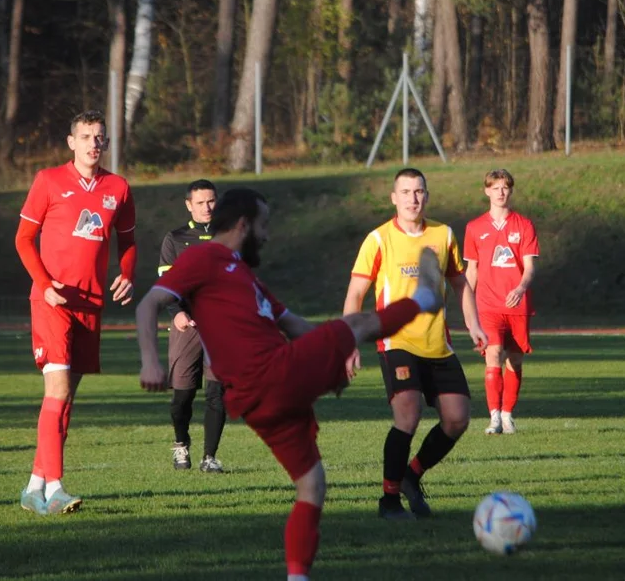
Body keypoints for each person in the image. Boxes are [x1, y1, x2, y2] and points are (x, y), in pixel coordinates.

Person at [136, 188, 446, 581]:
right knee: (356, 323)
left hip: (262, 397)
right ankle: (423, 298)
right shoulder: (204, 256)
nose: (267, 236)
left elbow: (296, 326)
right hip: (269, 374)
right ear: (244, 224)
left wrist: (331, 348)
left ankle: (297, 577)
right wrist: (150, 360)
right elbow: (148, 303)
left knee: (312, 486)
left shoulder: (246, 277)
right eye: (263, 226)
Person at [343, 167, 487, 520]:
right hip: (397, 342)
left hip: (438, 343)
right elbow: (356, 295)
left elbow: (460, 284)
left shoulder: (443, 234)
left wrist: (474, 324)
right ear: (394, 198)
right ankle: (389, 501)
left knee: (457, 419)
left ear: (427, 195)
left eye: (419, 191)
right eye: (405, 192)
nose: (413, 198)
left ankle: (412, 474)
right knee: (407, 414)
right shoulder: (378, 240)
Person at [14, 109, 137, 516]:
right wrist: (45, 287)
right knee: (58, 392)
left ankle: (33, 488)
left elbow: (129, 239)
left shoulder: (118, 187)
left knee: (66, 401)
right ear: (71, 142)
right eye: (85, 137)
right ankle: (56, 488)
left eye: (99, 137)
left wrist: (127, 272)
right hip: (51, 303)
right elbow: (24, 240)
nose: (93, 144)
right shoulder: (48, 180)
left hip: (91, 305)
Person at [158, 179, 227, 472]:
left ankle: (209, 457)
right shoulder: (175, 239)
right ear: (189, 205)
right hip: (187, 326)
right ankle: (181, 445)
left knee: (217, 392)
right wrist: (177, 312)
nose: (207, 207)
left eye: (211, 201)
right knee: (183, 394)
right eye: (200, 203)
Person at [463, 168, 539, 435]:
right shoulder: (474, 227)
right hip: (487, 305)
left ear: (511, 190)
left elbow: (529, 267)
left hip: (517, 306)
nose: (500, 192)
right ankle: (494, 417)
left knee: (514, 361)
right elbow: (471, 271)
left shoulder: (524, 225)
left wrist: (520, 287)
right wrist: (466, 304)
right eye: (495, 187)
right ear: (487, 191)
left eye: (505, 187)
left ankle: (508, 414)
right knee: (493, 354)